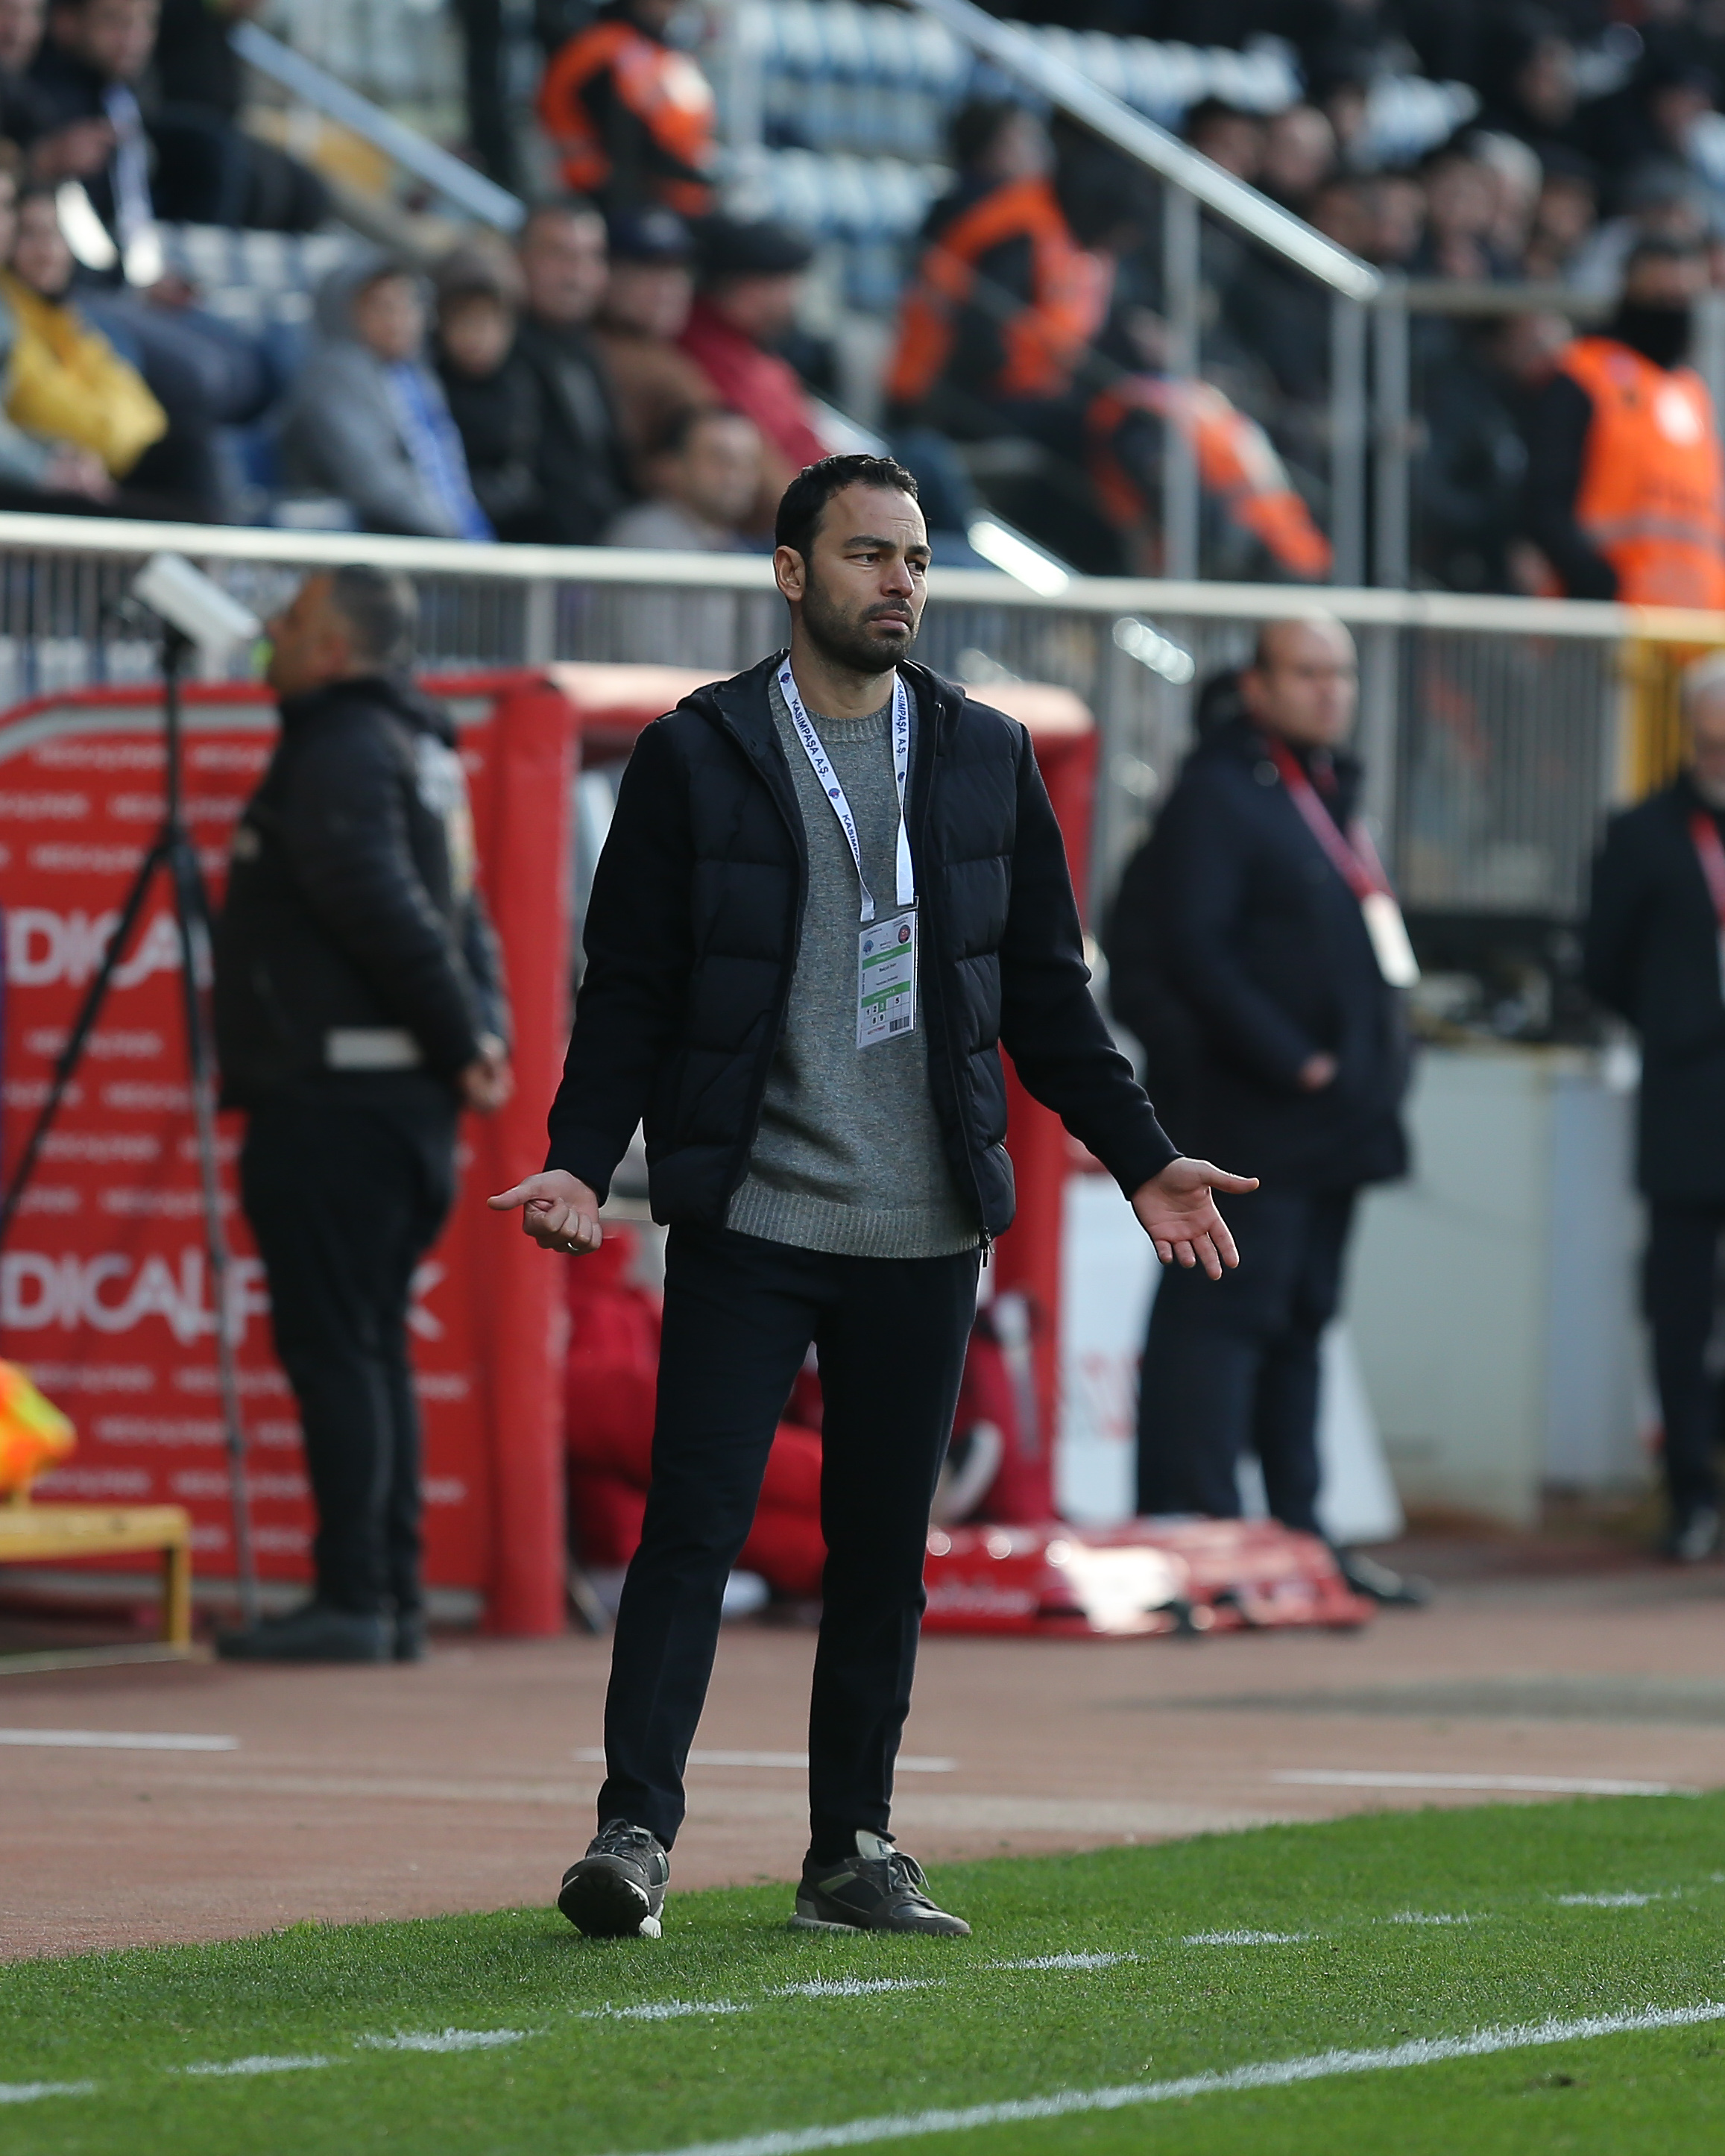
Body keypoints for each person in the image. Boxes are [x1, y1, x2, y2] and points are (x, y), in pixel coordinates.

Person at [489, 452, 1254, 1940]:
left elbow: (1046, 998)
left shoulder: (982, 754)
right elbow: (629, 990)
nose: (897, 581)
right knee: (691, 1529)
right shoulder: (694, 752)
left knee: (880, 1555)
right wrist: (581, 1154)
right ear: (790, 573)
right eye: (864, 555)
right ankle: (632, 1832)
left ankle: (850, 1847)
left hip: (923, 1226)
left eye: (912, 559)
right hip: (751, 1215)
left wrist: (1140, 1152)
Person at [212, 567, 511, 1664]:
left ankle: (356, 1597)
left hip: (338, 1100)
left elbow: (381, 903)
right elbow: (465, 914)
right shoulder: (414, 745)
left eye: (292, 621)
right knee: (368, 1343)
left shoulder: (341, 745)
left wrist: (465, 1038)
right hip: (396, 1102)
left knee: (339, 1345)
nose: (271, 634)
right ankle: (388, 1596)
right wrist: (479, 1036)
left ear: (334, 648)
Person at [1117, 616, 1424, 1607]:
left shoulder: (1328, 791)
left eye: (1341, 672)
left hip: (1335, 1127)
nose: (1329, 690)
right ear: (1255, 685)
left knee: (1300, 1323)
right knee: (1223, 1318)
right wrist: (1295, 1062)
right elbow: (1192, 954)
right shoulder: (1217, 796)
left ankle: (1300, 1541)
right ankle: (1199, 1535)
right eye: (1306, 672)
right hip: (1249, 1121)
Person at [1584, 655, 1725, 1562]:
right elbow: (1603, 960)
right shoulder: (1643, 833)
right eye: (1710, 738)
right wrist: (1676, 1025)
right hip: (1687, 1102)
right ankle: (1688, 1494)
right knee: (1679, 1312)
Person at [1524, 239, 1725, 608]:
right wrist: (1595, 582)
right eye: (1661, 295)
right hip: (1609, 618)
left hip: (1696, 624)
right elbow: (1545, 499)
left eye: (1681, 297)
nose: (1672, 308)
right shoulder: (1583, 374)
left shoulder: (1692, 392)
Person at [282, 253, 492, 540]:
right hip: (375, 543)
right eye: (383, 307)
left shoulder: (414, 373)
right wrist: (453, 535)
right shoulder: (337, 374)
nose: (399, 319)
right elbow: (372, 480)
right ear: (345, 312)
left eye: (408, 304)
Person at [511, 197, 636, 545]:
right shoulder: (491, 350)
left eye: (592, 257)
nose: (576, 275)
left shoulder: (589, 349)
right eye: (558, 255)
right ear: (519, 257)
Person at [678, 215, 830, 477]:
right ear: (744, 287)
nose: (791, 299)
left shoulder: (757, 350)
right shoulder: (702, 352)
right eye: (781, 284)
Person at [536, 0, 713, 217]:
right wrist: (696, 175)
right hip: (604, 194)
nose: (673, 9)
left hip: (666, 192)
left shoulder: (655, 49)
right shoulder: (605, 48)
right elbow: (625, 139)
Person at [433, 242, 545, 543]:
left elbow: (525, 474)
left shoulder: (521, 384)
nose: (478, 337)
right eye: (465, 319)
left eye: (491, 321)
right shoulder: (426, 385)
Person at [604, 403, 762, 552]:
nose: (736, 473)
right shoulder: (642, 540)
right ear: (670, 467)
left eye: (749, 461)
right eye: (720, 459)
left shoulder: (740, 545)